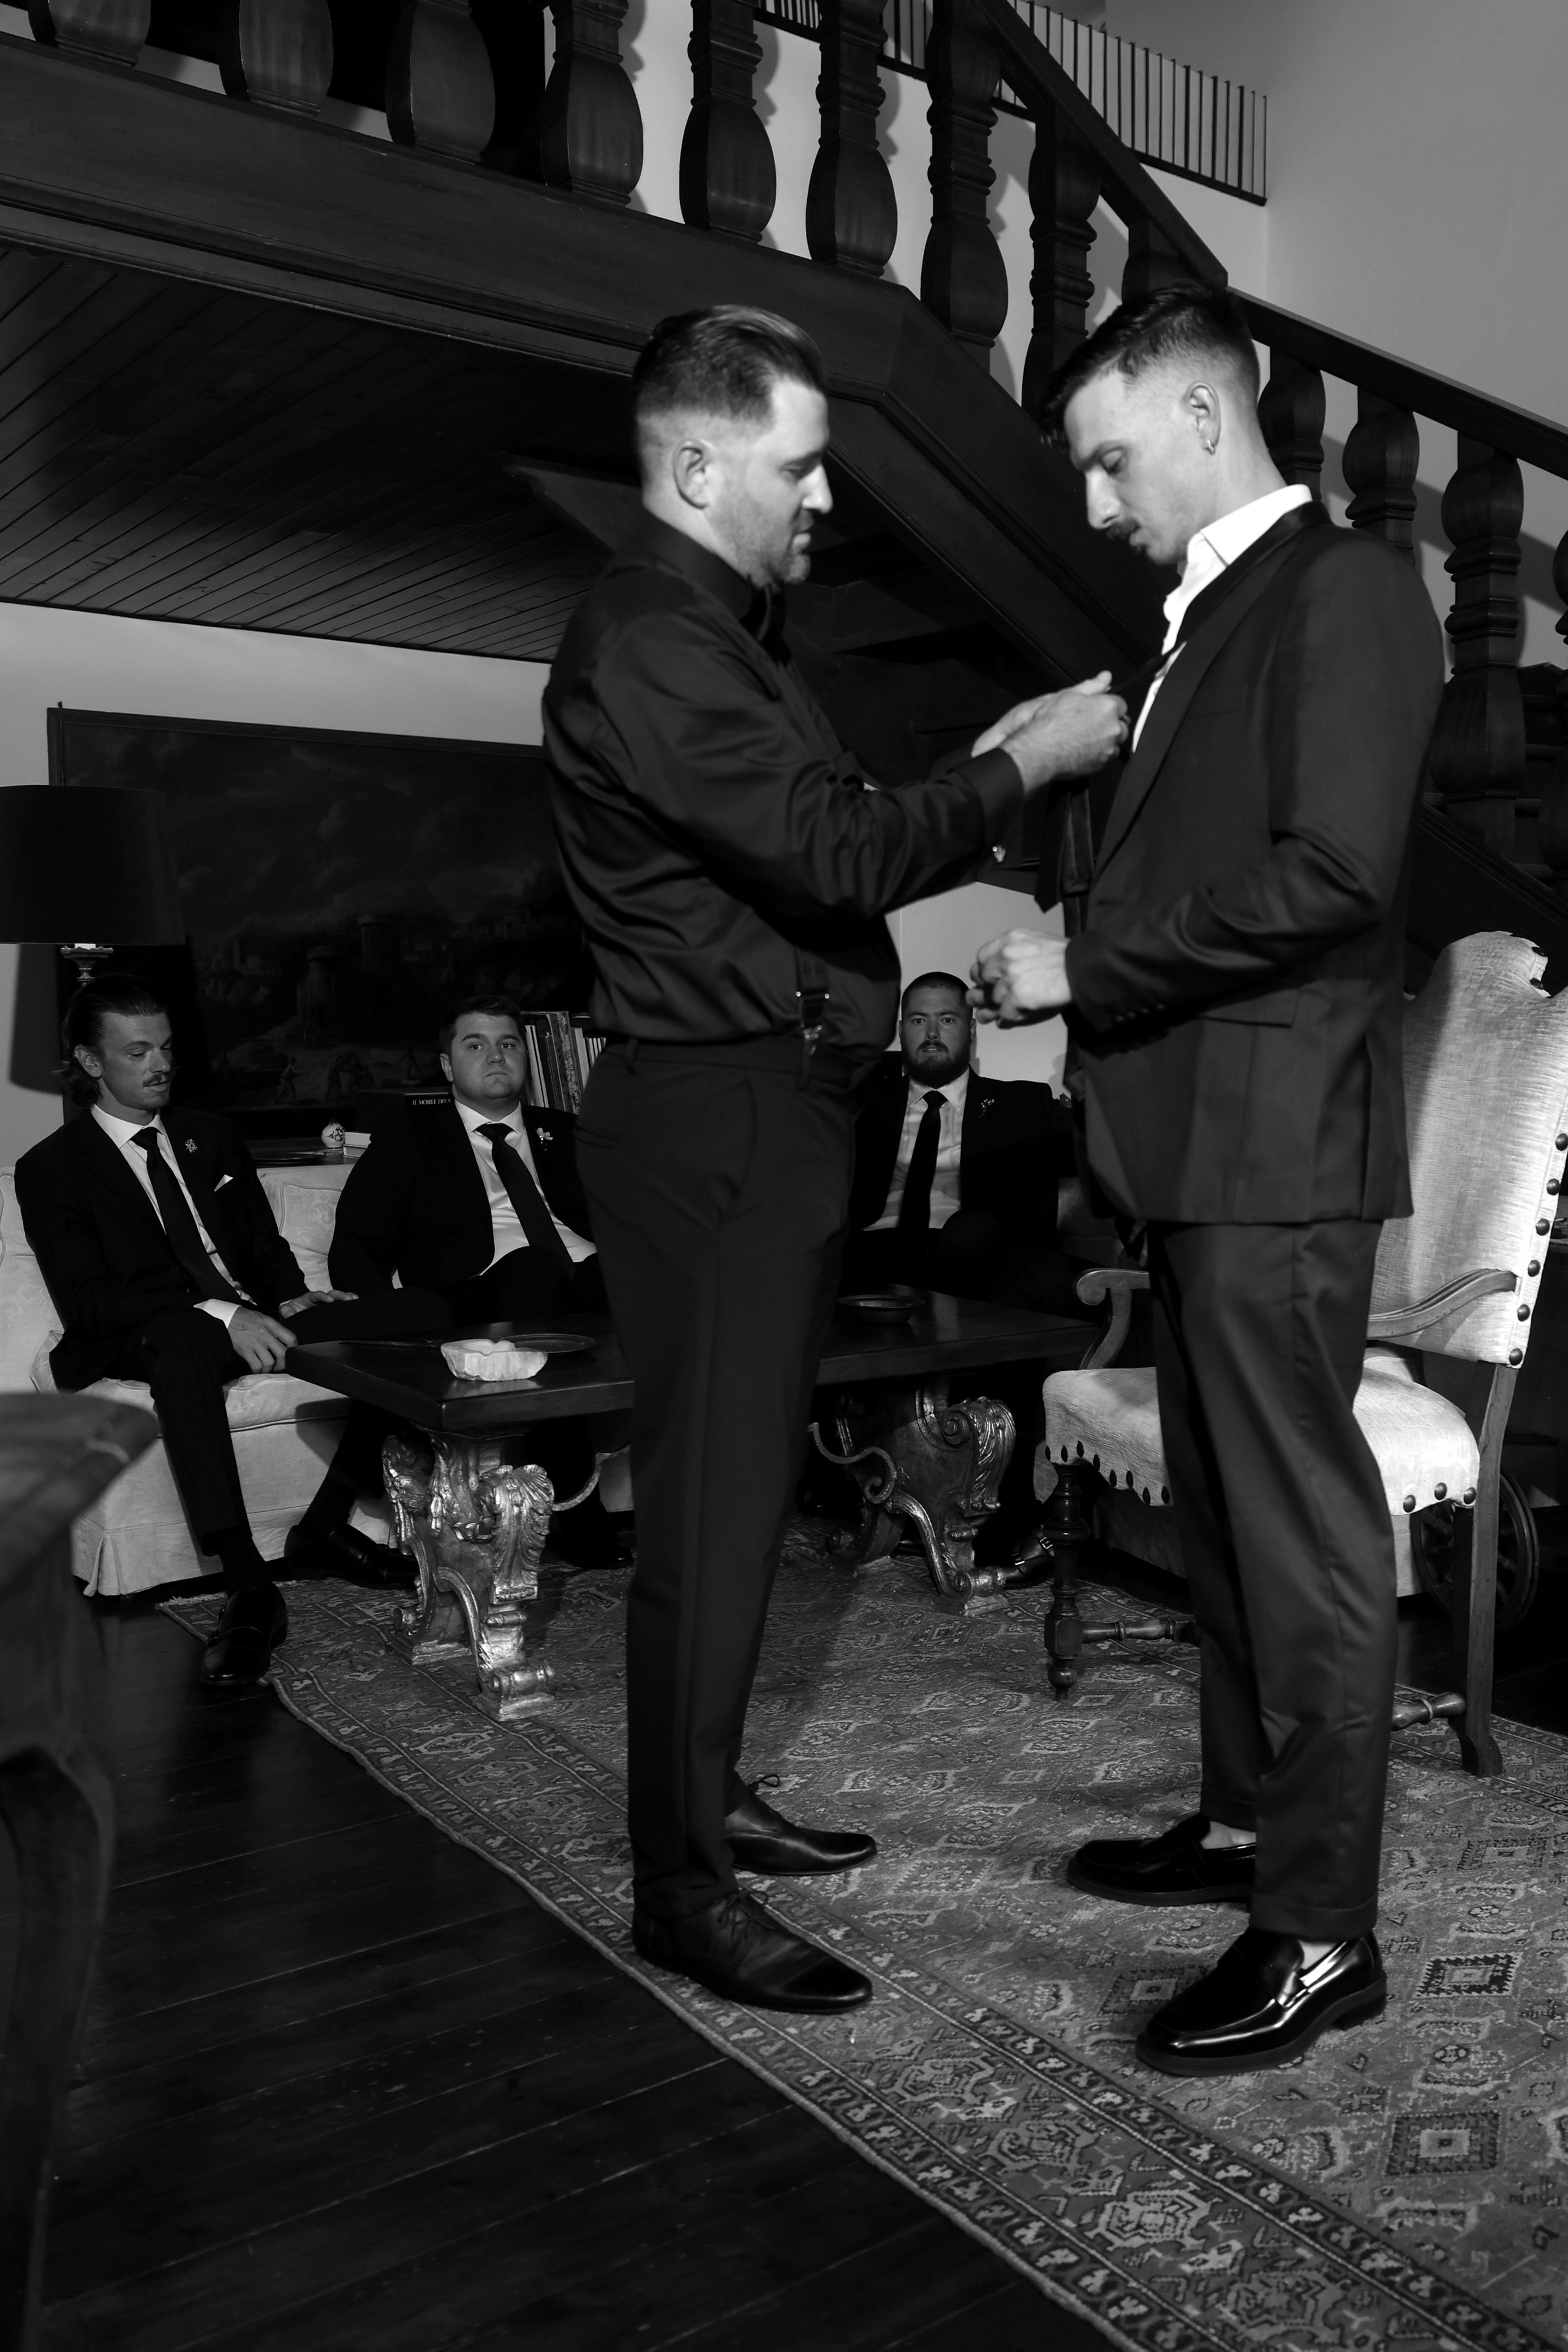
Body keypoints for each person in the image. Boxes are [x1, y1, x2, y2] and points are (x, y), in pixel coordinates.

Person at [546, 303, 1126, 2015]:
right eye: (800, 467)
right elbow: (834, 848)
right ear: (698, 458)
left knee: (735, 1505)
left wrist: (986, 762)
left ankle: (704, 1799)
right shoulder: (656, 636)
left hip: (763, 1114)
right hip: (721, 1114)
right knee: (715, 1525)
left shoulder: (723, 638)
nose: (824, 502)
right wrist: (1018, 762)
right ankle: (682, 1891)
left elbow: (807, 845)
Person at [970, 283, 1443, 2076]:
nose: (1094, 503)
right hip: (1197, 1151)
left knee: (1303, 1535)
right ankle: (1249, 1820)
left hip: (1277, 1146)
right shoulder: (1204, 613)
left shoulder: (1347, 589)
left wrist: (1086, 959)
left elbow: (1330, 875)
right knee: (1234, 1524)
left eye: (1106, 460)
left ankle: (1320, 1929)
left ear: (1196, 414)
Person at [16, 975, 447, 1689]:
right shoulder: (53, 1169)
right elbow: (92, 1301)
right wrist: (224, 1315)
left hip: (255, 1311)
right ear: (92, 1064)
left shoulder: (209, 1135)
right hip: (147, 1327)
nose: (158, 1064)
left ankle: (326, 1521)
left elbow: (261, 1245)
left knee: (420, 1313)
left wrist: (294, 1297)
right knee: (184, 1343)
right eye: (136, 1052)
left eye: (165, 1048)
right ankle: (249, 1585)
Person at [328, 996, 629, 1569]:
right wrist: (379, 1330)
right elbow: (358, 1246)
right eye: (476, 1045)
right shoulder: (410, 1140)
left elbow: (631, 1217)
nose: (496, 1056)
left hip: (584, 1283)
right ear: (446, 1066)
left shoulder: (566, 1133)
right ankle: (572, 1502)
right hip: (477, 1297)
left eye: (508, 1044)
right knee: (535, 1269)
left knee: (638, 1276)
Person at [842, 969, 1080, 1312]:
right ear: (901, 1031)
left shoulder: (1024, 1104)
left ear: (970, 1031)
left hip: (974, 1255)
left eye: (948, 1020)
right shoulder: (861, 1106)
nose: (932, 1034)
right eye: (919, 1020)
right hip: (874, 1252)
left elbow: (1103, 1148)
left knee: (976, 1232)